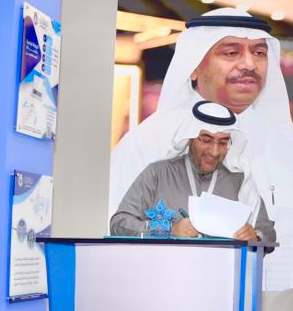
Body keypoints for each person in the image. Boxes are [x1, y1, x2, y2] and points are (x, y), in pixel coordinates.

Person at [110, 9, 293, 290]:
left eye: (259, 53)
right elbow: (119, 234)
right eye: (231, 53)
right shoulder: (149, 142)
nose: (249, 64)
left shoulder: (290, 144)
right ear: (195, 65)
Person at [111, 100, 276, 243]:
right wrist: (168, 230)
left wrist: (255, 235)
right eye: (206, 140)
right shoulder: (158, 174)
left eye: (223, 143)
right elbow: (118, 224)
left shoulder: (239, 180)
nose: (214, 152)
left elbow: (268, 231)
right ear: (190, 138)